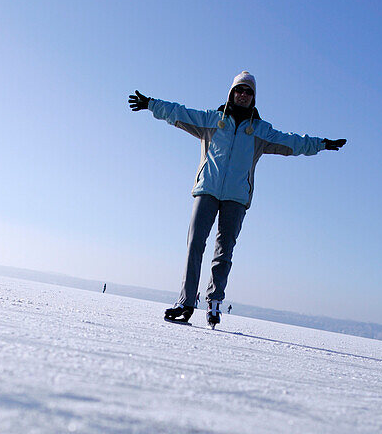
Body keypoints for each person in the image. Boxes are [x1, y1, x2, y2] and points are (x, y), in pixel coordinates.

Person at [129, 72, 346, 327]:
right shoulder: (212, 120)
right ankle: (186, 303)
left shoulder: (259, 131)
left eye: (248, 92)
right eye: (239, 90)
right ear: (231, 93)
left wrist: (320, 144)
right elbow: (181, 113)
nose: (243, 95)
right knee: (195, 244)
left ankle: (213, 303)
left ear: (253, 98)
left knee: (224, 252)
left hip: (236, 197)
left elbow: (292, 142)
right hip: (207, 190)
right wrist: (152, 104)